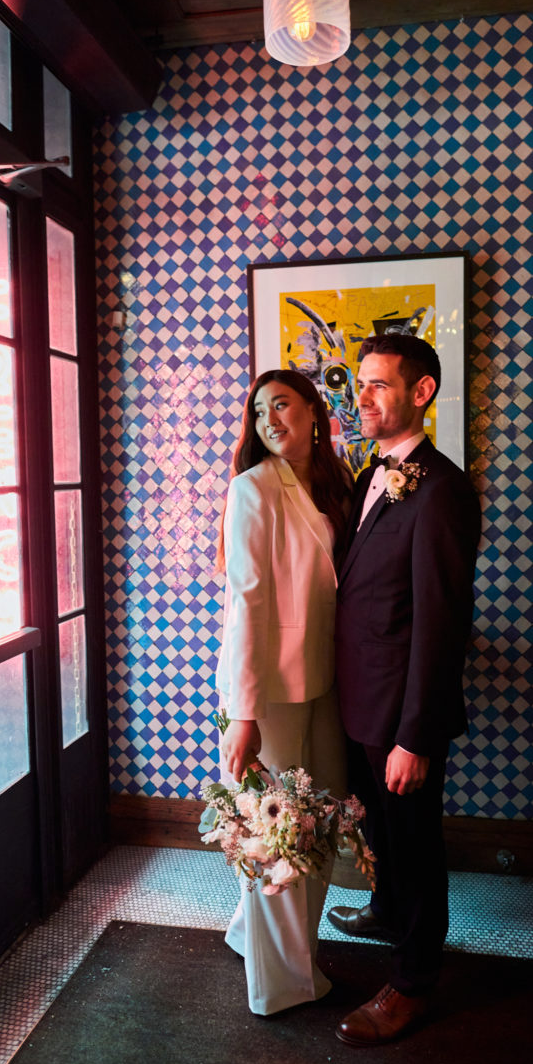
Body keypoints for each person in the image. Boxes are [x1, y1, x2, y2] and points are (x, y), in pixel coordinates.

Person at [328, 333, 481, 1047]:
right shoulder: (371, 474)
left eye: (378, 384)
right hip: (360, 698)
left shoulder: (442, 490)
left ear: (421, 392)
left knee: (416, 846)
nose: (361, 397)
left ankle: (413, 983)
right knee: (381, 833)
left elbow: (442, 624)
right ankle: (386, 909)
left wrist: (414, 737)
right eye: (359, 382)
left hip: (402, 714)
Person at [215, 367, 353, 1016]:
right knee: (277, 833)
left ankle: (254, 934)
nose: (269, 419)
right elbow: (246, 603)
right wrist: (243, 714)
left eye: (283, 405)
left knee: (320, 819)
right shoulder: (253, 488)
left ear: (313, 413)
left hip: (326, 678)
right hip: (269, 687)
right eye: (259, 410)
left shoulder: (335, 481)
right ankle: (280, 985)